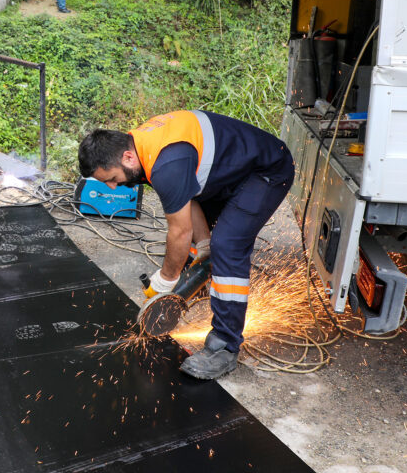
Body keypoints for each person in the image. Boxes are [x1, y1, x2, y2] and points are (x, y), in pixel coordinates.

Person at [78, 110, 295, 379]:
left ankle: (225, 348)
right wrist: (204, 244)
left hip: (267, 171)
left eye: (111, 178)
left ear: (127, 157)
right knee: (207, 245)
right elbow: (187, 198)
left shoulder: (167, 162)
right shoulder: (141, 148)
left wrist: (166, 280)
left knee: (227, 245)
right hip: (230, 172)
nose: (113, 188)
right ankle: (206, 282)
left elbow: (179, 232)